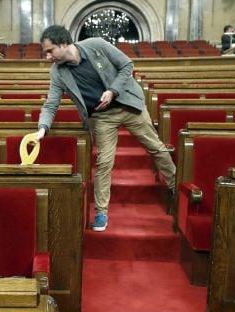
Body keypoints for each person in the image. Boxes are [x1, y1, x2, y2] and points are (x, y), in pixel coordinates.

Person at [30, 25, 176, 232]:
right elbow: (51, 104)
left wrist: (113, 91)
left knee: (156, 148)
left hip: (128, 105)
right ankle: (101, 212)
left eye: (50, 50)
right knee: (104, 163)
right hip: (102, 117)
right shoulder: (57, 72)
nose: (47, 57)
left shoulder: (96, 45)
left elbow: (127, 65)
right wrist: (42, 129)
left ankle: (175, 188)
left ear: (64, 44)